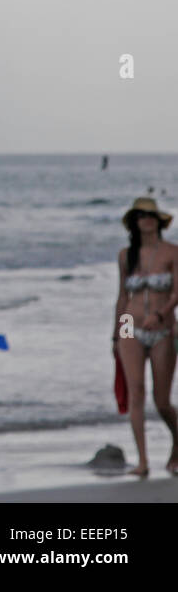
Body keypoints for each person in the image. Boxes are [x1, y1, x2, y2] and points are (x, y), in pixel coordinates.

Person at [113, 197, 178, 476]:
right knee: (135, 390)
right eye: (141, 216)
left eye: (151, 216)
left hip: (162, 329)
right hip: (130, 324)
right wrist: (117, 334)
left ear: (159, 222)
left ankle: (177, 443)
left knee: (161, 400)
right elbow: (122, 296)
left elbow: (176, 293)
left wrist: (161, 314)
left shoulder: (172, 252)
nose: (146, 220)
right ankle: (142, 460)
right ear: (134, 222)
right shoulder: (126, 255)